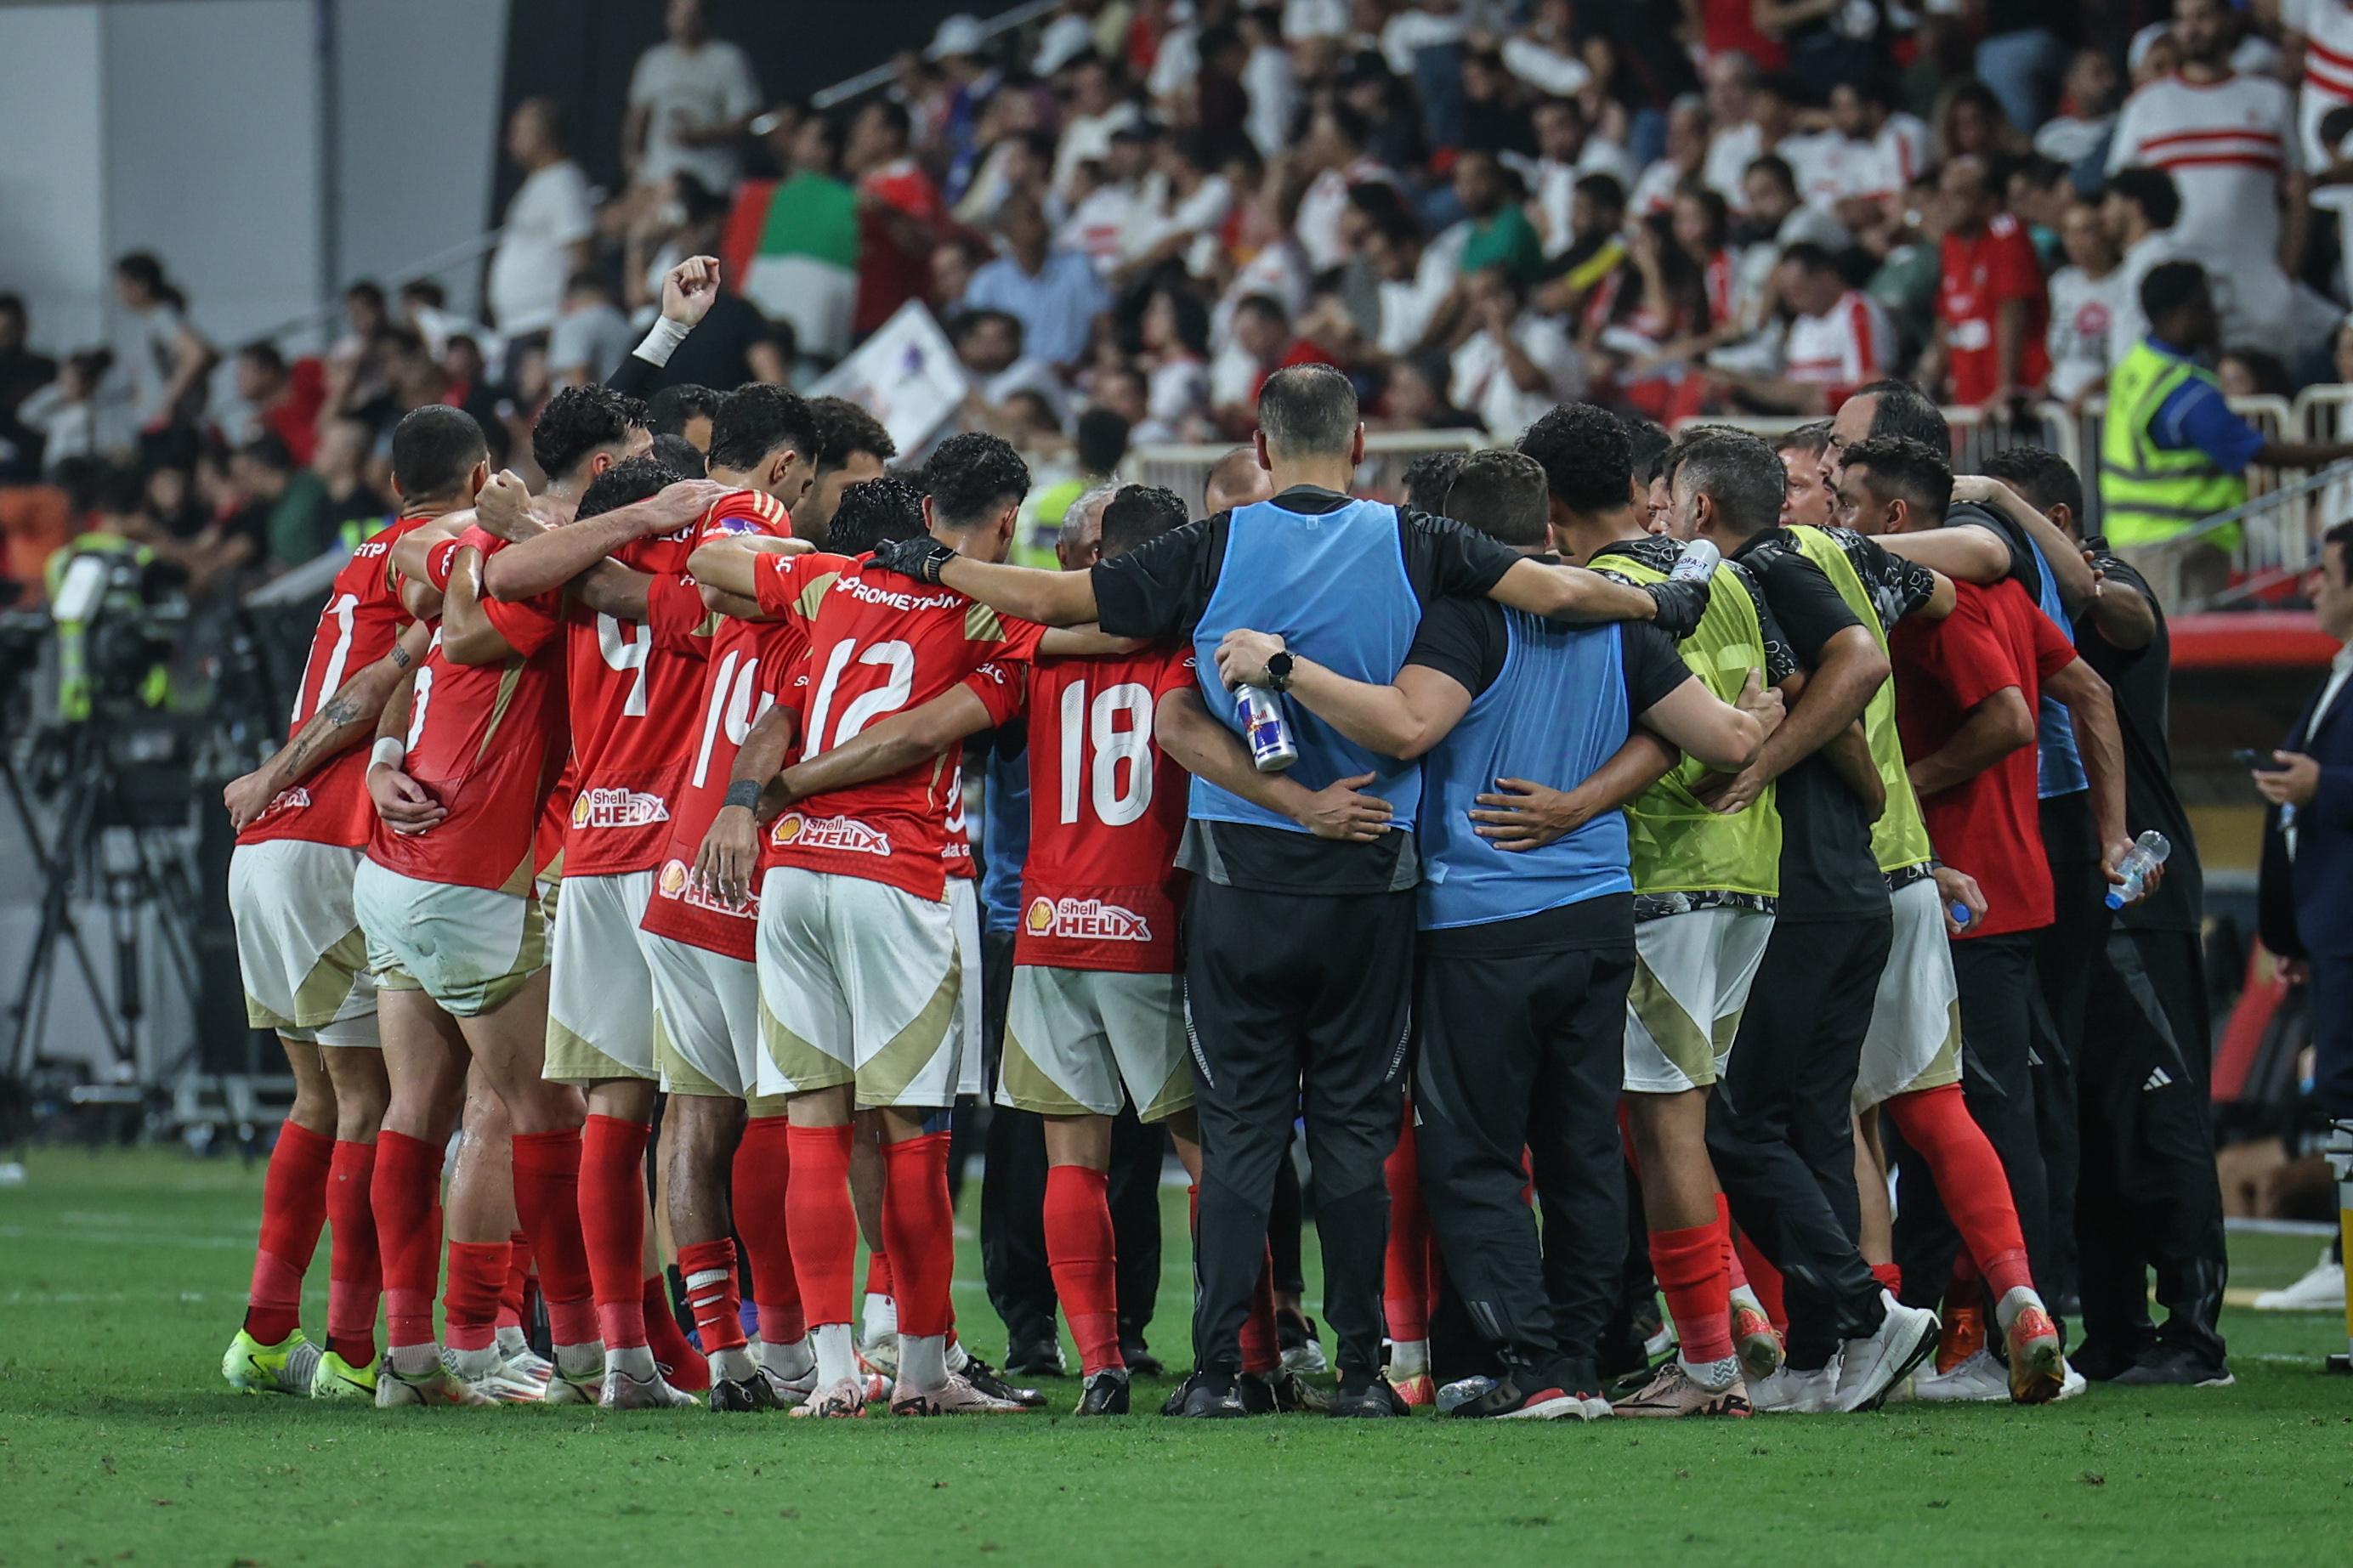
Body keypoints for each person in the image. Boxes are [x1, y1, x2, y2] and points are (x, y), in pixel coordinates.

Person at [859, 367, 1710, 1418]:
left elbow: (1054, 600)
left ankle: (1221, 1373)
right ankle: (1361, 1372)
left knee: (1241, 1130)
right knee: (1356, 1132)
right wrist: (1661, 597)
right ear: (1358, 447)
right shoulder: (1414, 539)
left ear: (1259, 449)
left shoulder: (1215, 547)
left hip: (1240, 878)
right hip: (1374, 873)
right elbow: (1559, 589)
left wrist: (935, 563)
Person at [1232, 444, 1774, 1421]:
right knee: (1577, 1152)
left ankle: (1539, 1370)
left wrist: (1282, 665)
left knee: (1474, 1158)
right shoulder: (1613, 618)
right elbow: (1724, 742)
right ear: (1550, 529)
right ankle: (1574, 1355)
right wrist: (1755, 713)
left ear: (1458, 539)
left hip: (1483, 923)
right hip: (1598, 916)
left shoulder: (1466, 615)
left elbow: (1405, 728)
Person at [689, 432, 1059, 1418]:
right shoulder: (994, 608)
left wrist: (756, 796)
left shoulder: (832, 586)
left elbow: (727, 598)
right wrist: (792, 785)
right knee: (912, 1137)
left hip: (794, 878)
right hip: (893, 876)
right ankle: (927, 1374)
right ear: (1007, 521)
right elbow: (920, 732)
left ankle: (836, 1372)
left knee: (812, 1122)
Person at [476, 388, 802, 1410]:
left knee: (611, 1116)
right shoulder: (700, 578)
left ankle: (621, 1360)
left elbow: (510, 574)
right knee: (726, 1106)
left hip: (588, 856)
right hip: (676, 859)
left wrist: (529, 521)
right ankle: (776, 1341)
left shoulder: (579, 576)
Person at [1664, 425, 1943, 1416]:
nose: (1660, 518)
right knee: (1807, 1119)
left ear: (1698, 506)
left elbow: (1855, 665)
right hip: (1847, 883)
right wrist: (1857, 782)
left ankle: (1867, 1313)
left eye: (1668, 499)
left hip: (1809, 892)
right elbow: (1838, 692)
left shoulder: (1767, 566)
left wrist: (1761, 762)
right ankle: (1826, 1355)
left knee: (1734, 1123)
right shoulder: (1790, 570)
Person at [1517, 405, 1789, 1414]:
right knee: (1684, 1118)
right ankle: (1730, 1311)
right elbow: (1779, 691)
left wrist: (1578, 804)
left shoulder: (1600, 598)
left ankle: (1709, 1360)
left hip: (1661, 872)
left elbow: (1679, 732)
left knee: (1664, 1126)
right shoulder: (1717, 572)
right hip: (1749, 869)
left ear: (1546, 504)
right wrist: (1756, 730)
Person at [215, 406, 481, 1400]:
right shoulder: (440, 541)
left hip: (270, 843)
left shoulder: (362, 552)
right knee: (385, 1100)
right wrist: (282, 766)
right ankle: (354, 1351)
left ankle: (266, 1336)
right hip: (327, 832)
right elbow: (381, 679)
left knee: (323, 1099)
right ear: (479, 475)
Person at [1982, 444, 2233, 1385]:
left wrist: (1999, 503)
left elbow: (2115, 609)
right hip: (2067, 899)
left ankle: (2194, 1336)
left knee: (2158, 1112)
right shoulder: (2019, 603)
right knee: (2086, 1111)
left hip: (2141, 900)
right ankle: (2117, 1323)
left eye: (2006, 519)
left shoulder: (2104, 583)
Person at [2253, 519, 2353, 1373]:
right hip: (2327, 928)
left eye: (2323, 573)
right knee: (2343, 1107)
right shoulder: (2334, 675)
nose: (2309, 585)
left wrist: (2327, 786)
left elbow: (2325, 793)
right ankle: (2342, 1264)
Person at [2101, 262, 2353, 596]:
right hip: (2180, 549)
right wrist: (2346, 449)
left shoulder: (2136, 365)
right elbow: (2263, 453)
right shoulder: (2185, 391)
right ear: (2182, 312)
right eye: (2204, 305)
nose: (2215, 314)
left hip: (2134, 540)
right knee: (2187, 647)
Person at [2105, 0, 2304, 353]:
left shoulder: (2271, 99)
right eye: (2182, 20)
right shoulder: (2146, 105)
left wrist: (2284, 273)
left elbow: (2298, 192)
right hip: (2175, 302)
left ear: (2228, 21)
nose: (2192, 29)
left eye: (2203, 17)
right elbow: (2120, 199)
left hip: (2256, 292)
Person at [1920, 156, 2049, 411]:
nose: (1944, 204)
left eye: (1958, 195)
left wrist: (2006, 387)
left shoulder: (2007, 236)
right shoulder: (1950, 243)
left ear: (1987, 202)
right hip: (1969, 393)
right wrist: (1931, 378)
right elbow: (1948, 315)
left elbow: (2012, 313)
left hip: (2013, 399)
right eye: (1942, 193)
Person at [487, 99, 596, 345]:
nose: (510, 140)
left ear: (543, 134)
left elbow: (580, 251)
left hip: (544, 324)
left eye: (519, 131)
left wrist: (570, 316)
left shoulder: (564, 180)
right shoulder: (536, 182)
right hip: (517, 326)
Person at [624, 0, 761, 195]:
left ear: (704, 17)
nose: (684, 22)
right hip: (658, 178)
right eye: (678, 15)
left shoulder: (729, 60)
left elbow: (746, 120)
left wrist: (701, 135)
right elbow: (637, 117)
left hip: (713, 181)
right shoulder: (653, 61)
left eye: (691, 15)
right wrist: (633, 161)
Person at [963, 196, 1111, 373]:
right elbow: (972, 344)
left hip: (1074, 375)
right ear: (1008, 231)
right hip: (1012, 380)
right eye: (1032, 217)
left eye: (1041, 215)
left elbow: (1103, 325)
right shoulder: (987, 282)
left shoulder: (1077, 266)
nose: (1042, 224)